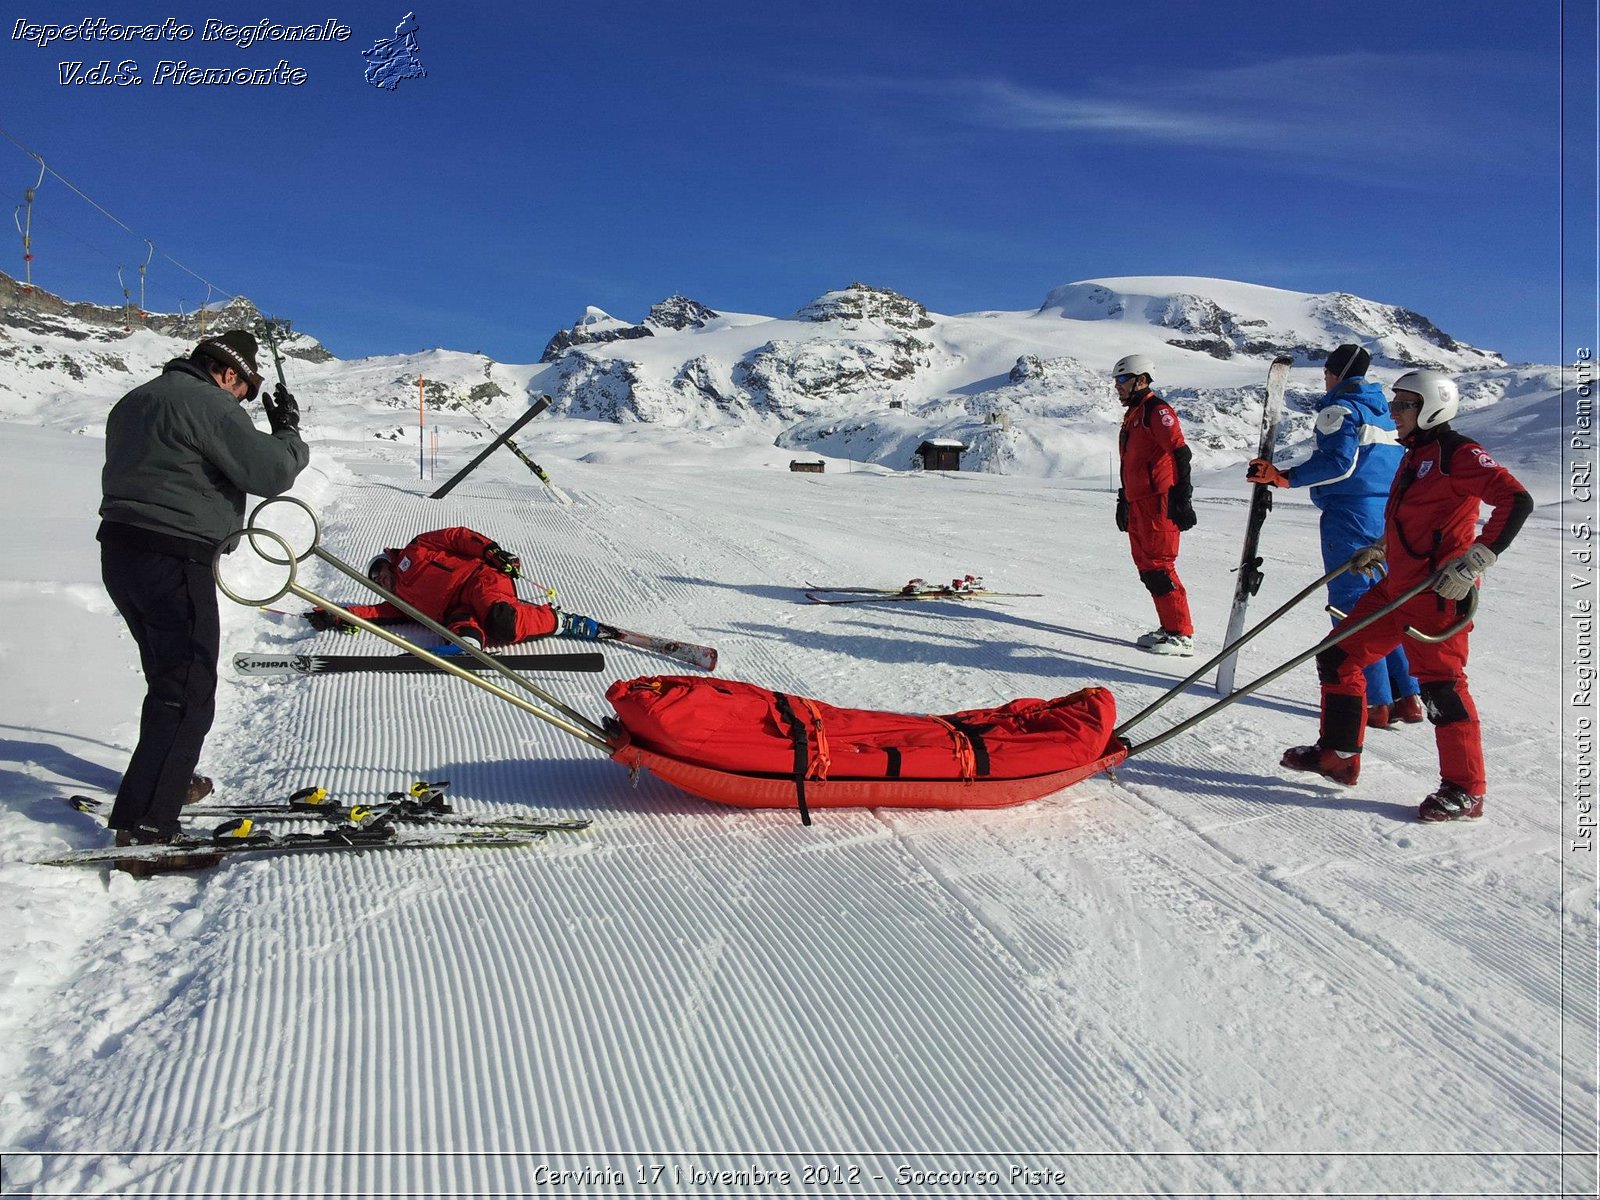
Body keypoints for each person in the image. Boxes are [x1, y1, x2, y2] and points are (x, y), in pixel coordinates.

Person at [1279, 369, 1533, 821]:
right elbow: (1415, 518)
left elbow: (1516, 500)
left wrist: (1477, 558)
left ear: (1431, 406)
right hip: (1396, 586)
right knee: (1339, 656)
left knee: (1443, 689)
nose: (1393, 412)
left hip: (1438, 593)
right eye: (1394, 404)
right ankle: (1338, 755)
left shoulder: (1460, 454)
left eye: (1402, 405)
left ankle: (1465, 789)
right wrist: (1380, 548)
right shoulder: (1413, 454)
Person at [99, 330, 309, 863]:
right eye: (245, 389)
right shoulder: (211, 404)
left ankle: (166, 781)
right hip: (173, 556)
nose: (242, 399)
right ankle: (148, 826)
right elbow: (271, 472)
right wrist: (286, 431)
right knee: (188, 689)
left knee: (168, 680)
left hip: (122, 551)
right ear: (229, 373)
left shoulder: (137, 399)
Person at [1246, 344, 1422, 728]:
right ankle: (1407, 697)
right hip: (1386, 515)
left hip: (1349, 514)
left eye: (1327, 371)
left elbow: (1338, 462)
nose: (1325, 378)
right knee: (1387, 603)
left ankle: (1374, 702)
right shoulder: (1385, 412)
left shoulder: (1340, 408)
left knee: (1352, 607)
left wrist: (1283, 477)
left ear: (1336, 372)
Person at [305, 527, 603, 646]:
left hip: (479, 579)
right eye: (375, 583)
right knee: (460, 625)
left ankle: (559, 620)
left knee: (500, 620)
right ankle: (467, 644)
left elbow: (456, 537)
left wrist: (491, 551)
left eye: (379, 573)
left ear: (387, 562)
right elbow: (374, 612)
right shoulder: (400, 602)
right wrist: (334, 614)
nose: (380, 581)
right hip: (458, 609)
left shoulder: (417, 548)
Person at [1113, 353, 1196, 655]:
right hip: (1138, 503)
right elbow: (1133, 463)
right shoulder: (1134, 415)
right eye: (1116, 380)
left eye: (1123, 379)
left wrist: (1182, 496)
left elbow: (1180, 452)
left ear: (1142, 379)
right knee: (1147, 568)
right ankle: (1169, 627)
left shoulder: (1157, 411)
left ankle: (1181, 634)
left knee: (1160, 567)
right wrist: (1125, 499)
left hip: (1159, 502)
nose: (1117, 386)